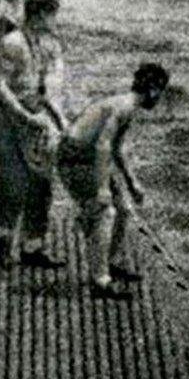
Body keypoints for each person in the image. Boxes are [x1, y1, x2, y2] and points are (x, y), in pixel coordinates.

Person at [56, 62, 170, 299]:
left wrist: (131, 183)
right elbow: (102, 145)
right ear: (153, 90)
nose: (159, 99)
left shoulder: (128, 108)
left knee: (124, 210)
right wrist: (100, 187)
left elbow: (116, 149)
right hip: (75, 160)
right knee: (105, 212)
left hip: (90, 159)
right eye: (160, 92)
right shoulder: (124, 107)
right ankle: (101, 281)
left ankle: (108, 262)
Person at [0, 0, 67, 268]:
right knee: (15, 185)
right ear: (41, 14)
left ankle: (33, 246)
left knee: (42, 185)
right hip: (10, 119)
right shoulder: (12, 43)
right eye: (52, 14)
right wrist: (22, 115)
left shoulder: (44, 44)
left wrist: (57, 119)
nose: (55, 21)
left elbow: (45, 90)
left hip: (36, 119)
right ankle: (2, 238)